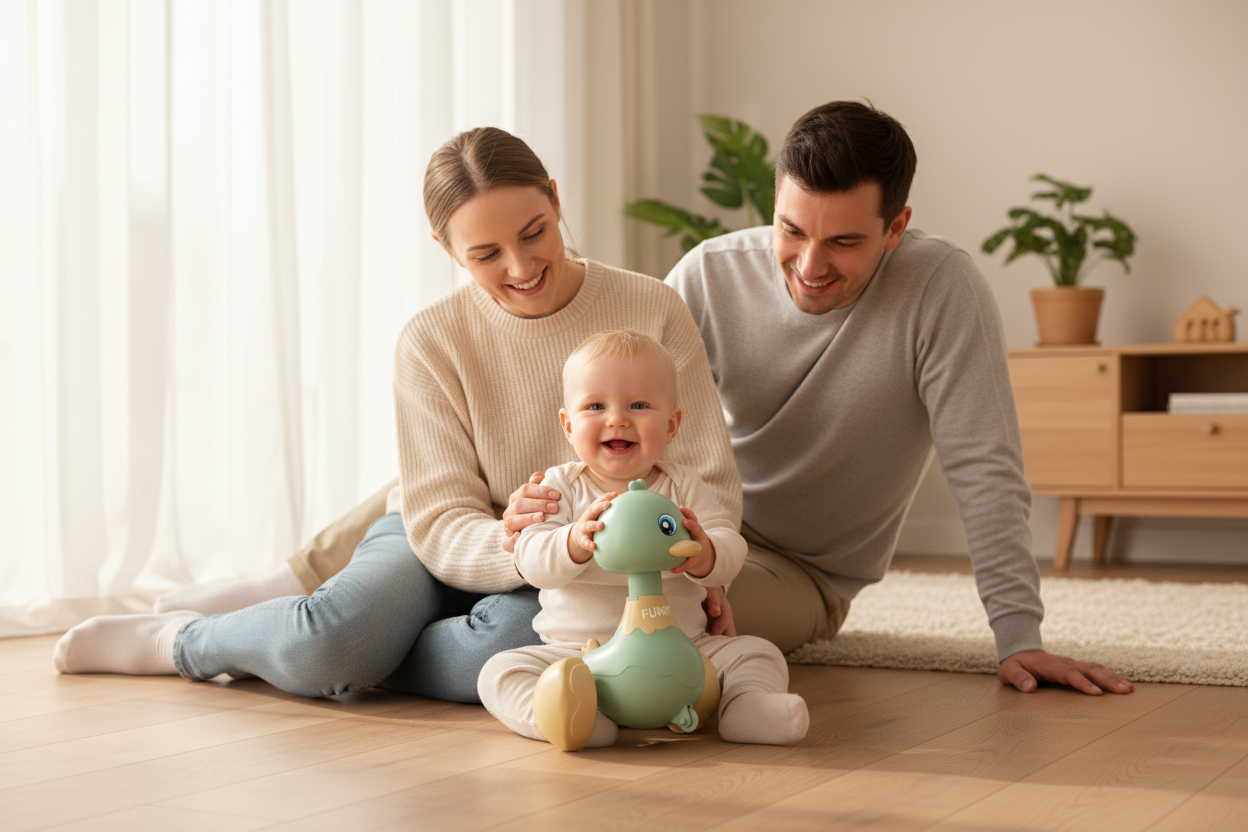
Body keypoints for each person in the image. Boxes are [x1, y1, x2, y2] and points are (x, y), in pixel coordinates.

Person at [145, 102, 1133, 697]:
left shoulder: (942, 291)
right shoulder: (707, 274)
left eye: (844, 242)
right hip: (643, 517)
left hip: (783, 562)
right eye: (791, 230)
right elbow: (588, 419)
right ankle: (297, 592)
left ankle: (353, 645)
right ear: (772, 203)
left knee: (627, 647)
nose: (807, 265)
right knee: (518, 517)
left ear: (898, 226)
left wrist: (1022, 639)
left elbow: (985, 465)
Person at [52, 127, 741, 704]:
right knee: (334, 637)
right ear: (446, 249)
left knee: (516, 647)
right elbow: (438, 518)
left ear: (557, 201)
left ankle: (362, 658)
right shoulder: (430, 339)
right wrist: (514, 541)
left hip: (577, 559)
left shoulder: (650, 307)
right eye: (485, 254)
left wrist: (695, 564)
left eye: (536, 232)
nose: (523, 265)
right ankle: (182, 641)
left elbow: (701, 471)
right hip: (453, 538)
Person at [478, 331, 807, 748]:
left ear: (671, 425)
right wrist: (572, 541)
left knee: (758, 653)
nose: (617, 419)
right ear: (568, 425)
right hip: (580, 657)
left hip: (685, 652)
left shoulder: (683, 485)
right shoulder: (559, 488)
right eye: (595, 406)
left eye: (638, 405)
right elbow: (531, 559)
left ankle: (748, 708)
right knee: (499, 671)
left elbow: (729, 546)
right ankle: (565, 716)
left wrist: (705, 555)